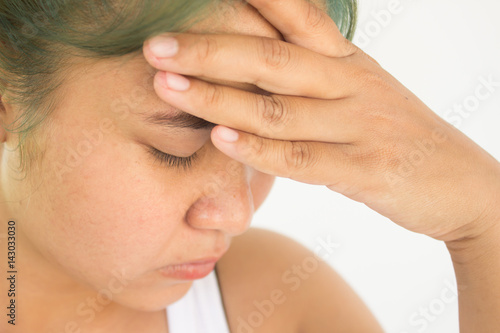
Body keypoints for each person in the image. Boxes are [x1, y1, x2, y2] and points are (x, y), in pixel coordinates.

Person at [0, 1, 498, 333]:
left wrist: (484, 221)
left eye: (264, 140)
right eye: (177, 148)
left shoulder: (272, 301)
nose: (238, 214)